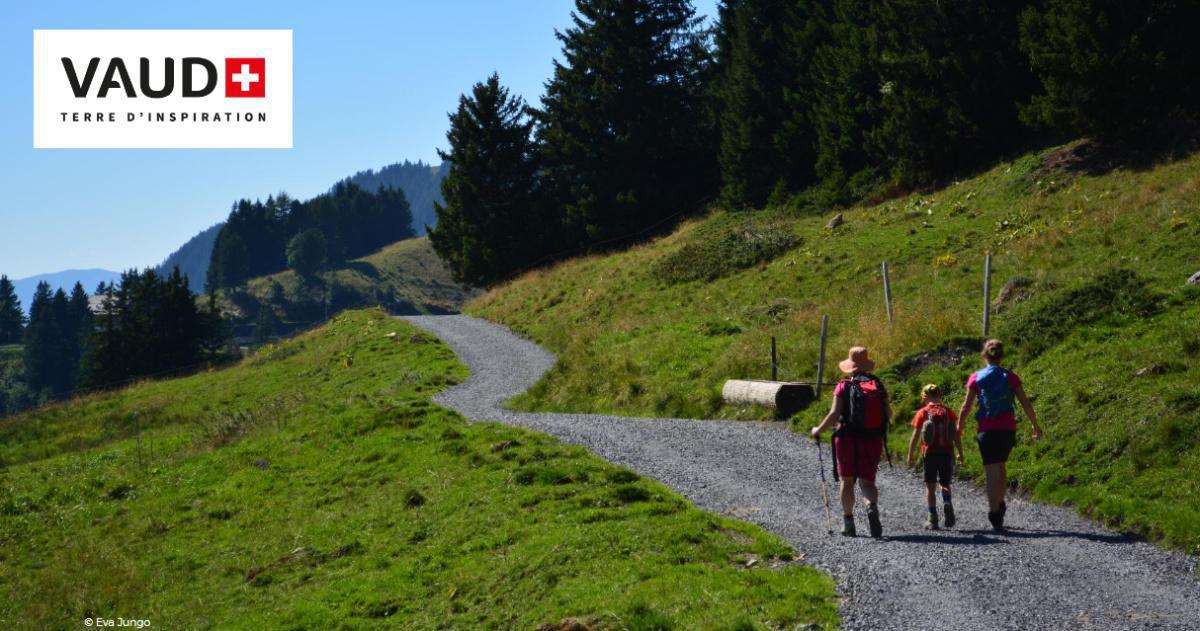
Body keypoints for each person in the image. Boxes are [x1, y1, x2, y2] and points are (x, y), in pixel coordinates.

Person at [956, 339, 1044, 531]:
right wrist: (1034, 425)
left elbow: (966, 406)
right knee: (1001, 466)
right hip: (1007, 430)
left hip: (987, 430)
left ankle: (994, 513)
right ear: (1002, 355)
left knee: (991, 472)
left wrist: (959, 427)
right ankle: (1001, 502)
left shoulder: (976, 378)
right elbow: (1025, 403)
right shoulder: (1010, 377)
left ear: (984, 355)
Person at [811, 346, 892, 538]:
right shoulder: (878, 385)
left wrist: (818, 430)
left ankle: (848, 523)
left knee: (847, 481)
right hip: (872, 439)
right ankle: (871, 506)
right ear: (867, 364)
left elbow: (834, 414)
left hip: (847, 439)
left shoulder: (843, 386)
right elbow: (889, 414)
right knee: (868, 483)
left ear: (850, 365)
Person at [905, 384, 963, 530]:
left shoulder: (923, 412)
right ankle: (947, 502)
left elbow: (916, 436)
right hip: (947, 452)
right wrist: (960, 453)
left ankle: (932, 519)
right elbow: (956, 435)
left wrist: (910, 455)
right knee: (945, 484)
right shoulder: (948, 412)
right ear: (940, 396)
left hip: (930, 454)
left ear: (924, 397)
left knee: (930, 487)